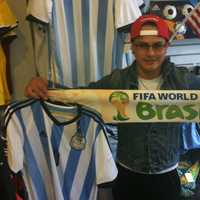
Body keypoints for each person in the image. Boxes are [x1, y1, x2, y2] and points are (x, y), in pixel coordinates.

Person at [25, 14, 200, 200]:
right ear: (133, 47)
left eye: (157, 45)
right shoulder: (118, 80)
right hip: (127, 176)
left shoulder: (184, 81)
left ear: (166, 46)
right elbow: (82, 97)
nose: (150, 53)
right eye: (143, 45)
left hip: (167, 177)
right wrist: (47, 88)